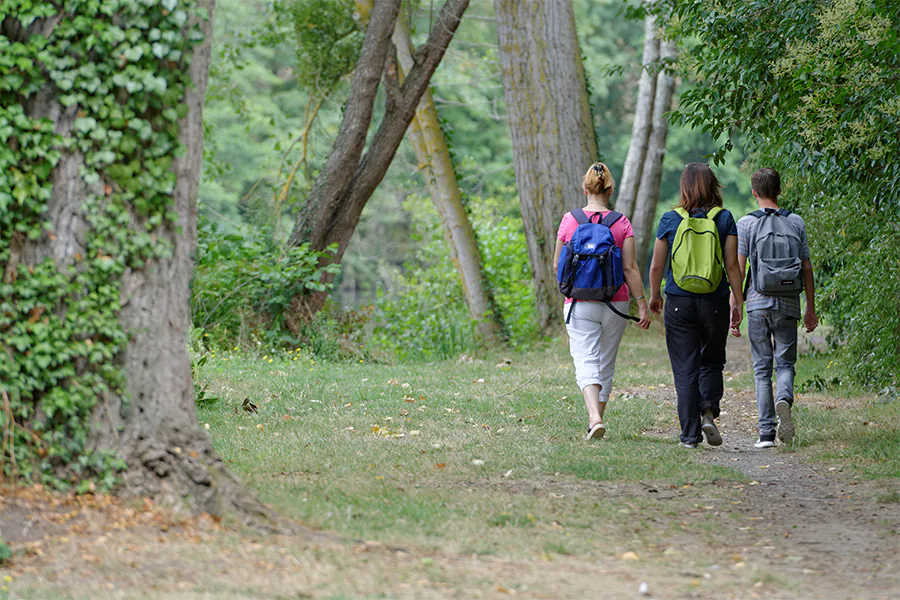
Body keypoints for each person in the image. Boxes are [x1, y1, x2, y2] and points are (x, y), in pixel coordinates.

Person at [553, 162, 651, 441]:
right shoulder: (621, 222)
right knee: (606, 362)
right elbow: (630, 269)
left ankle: (594, 418)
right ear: (610, 189)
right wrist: (641, 304)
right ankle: (595, 420)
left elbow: (558, 263)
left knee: (585, 359)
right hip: (616, 303)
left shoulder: (569, 220)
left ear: (584, 189)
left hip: (578, 302)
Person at [648, 163, 744, 448]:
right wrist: (737, 301)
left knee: (685, 368)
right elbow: (732, 266)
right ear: (713, 185)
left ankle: (690, 436)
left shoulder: (669, 219)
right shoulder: (724, 218)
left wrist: (655, 295)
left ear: (684, 187)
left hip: (679, 302)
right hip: (714, 301)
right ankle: (709, 412)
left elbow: (656, 265)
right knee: (712, 361)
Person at [734, 168, 818, 448]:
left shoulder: (745, 224)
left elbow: (740, 268)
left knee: (761, 369)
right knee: (785, 364)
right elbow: (806, 268)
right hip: (788, 304)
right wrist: (810, 309)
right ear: (779, 190)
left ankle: (766, 434)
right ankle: (784, 397)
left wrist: (735, 306)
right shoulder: (796, 222)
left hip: (757, 306)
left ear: (754, 192)